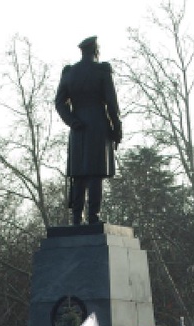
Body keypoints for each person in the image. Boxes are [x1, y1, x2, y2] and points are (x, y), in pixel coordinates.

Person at [54, 36, 122, 225]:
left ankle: (76, 217)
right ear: (96, 51)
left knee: (79, 174)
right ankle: (93, 216)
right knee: (94, 173)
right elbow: (112, 104)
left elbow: (59, 103)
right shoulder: (102, 71)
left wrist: (72, 121)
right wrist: (117, 129)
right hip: (98, 125)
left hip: (78, 127)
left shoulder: (69, 73)